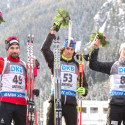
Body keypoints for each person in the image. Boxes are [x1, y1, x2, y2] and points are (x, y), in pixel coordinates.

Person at [41, 29, 88, 125]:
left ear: (74, 51)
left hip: (71, 103)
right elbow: (45, 49)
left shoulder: (77, 66)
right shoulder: (55, 61)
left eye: (71, 49)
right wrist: (52, 34)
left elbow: (84, 84)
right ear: (62, 49)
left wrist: (84, 90)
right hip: (55, 101)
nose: (69, 51)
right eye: (67, 48)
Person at [0, 36, 39, 125]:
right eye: (12, 48)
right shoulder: (3, 62)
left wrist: (33, 90)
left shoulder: (24, 65)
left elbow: (27, 85)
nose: (15, 51)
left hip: (21, 103)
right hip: (6, 102)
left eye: (17, 48)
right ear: (7, 50)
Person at [89, 39, 125, 125]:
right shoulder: (113, 65)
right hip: (115, 104)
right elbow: (93, 65)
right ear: (120, 52)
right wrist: (95, 49)